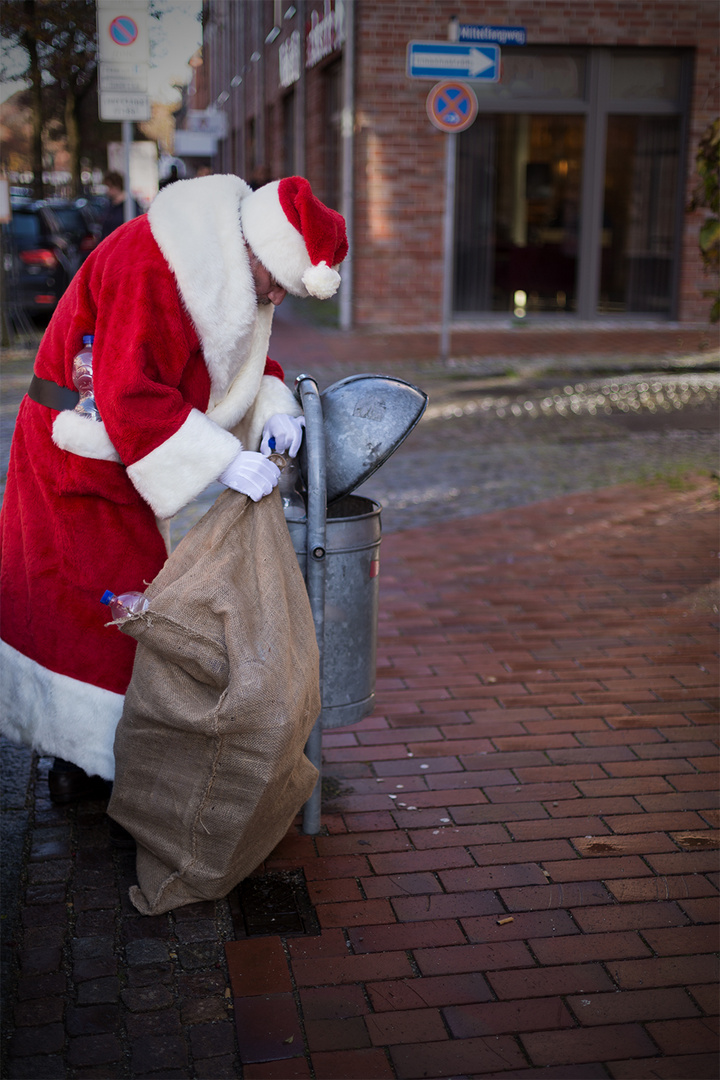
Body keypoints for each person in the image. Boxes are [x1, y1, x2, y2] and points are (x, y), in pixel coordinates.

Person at [0, 173, 348, 804]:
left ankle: (108, 754)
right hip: (74, 451)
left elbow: (237, 358)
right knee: (92, 602)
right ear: (260, 251)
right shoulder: (150, 263)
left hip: (118, 450)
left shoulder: (229, 261)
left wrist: (270, 406)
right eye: (276, 282)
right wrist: (221, 460)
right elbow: (129, 389)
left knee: (124, 601)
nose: (274, 297)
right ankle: (85, 762)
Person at [99, 170, 140, 239]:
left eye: (109, 187)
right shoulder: (110, 205)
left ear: (116, 186)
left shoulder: (130, 206)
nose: (107, 190)